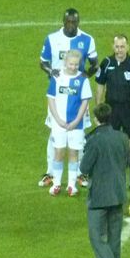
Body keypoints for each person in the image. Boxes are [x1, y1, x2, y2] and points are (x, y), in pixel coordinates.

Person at [38, 8, 98, 188]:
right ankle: (50, 173)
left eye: (74, 22)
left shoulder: (87, 39)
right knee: (54, 133)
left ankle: (80, 173)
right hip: (58, 93)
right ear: (63, 21)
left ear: (78, 22)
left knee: (79, 133)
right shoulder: (52, 39)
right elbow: (43, 61)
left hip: (77, 95)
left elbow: (95, 63)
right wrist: (51, 71)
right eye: (68, 22)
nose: (71, 25)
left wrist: (85, 76)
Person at [79, 103, 130, 258]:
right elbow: (126, 162)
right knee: (114, 236)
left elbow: (84, 168)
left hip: (99, 196)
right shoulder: (122, 138)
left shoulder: (94, 141)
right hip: (118, 193)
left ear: (96, 119)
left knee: (96, 237)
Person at [95, 34, 130, 189]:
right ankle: (113, 176)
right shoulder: (106, 63)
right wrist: (98, 110)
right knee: (111, 143)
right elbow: (100, 87)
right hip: (111, 110)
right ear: (113, 47)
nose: (119, 50)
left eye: (122, 46)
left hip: (129, 109)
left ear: (127, 47)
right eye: (117, 46)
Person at [46, 50, 93, 197]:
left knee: (74, 153)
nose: (73, 67)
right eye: (71, 64)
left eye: (76, 64)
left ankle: (72, 185)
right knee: (58, 152)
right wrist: (58, 120)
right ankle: (57, 184)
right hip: (58, 123)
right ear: (65, 62)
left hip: (76, 125)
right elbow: (51, 99)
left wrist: (76, 121)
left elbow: (85, 101)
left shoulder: (83, 79)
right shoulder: (57, 77)